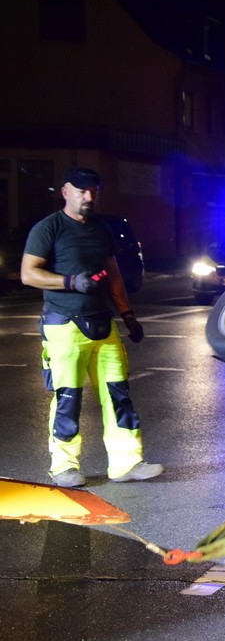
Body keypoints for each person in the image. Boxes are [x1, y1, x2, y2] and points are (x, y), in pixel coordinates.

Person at [20, 166, 163, 487]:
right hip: (63, 327)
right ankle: (64, 467)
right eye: (82, 190)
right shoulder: (49, 228)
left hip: (103, 324)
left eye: (93, 191)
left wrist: (128, 315)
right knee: (67, 398)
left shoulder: (100, 228)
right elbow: (29, 273)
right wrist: (70, 281)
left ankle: (127, 463)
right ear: (65, 192)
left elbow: (113, 274)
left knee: (118, 395)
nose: (89, 196)